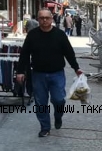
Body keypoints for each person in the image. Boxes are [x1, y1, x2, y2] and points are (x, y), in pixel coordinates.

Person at [16, 8, 83, 137]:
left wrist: (76, 68)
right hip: (38, 74)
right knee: (41, 102)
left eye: (47, 18)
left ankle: (58, 116)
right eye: (41, 18)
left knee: (59, 100)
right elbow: (24, 54)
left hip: (57, 74)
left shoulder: (59, 34)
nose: (44, 20)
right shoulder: (32, 35)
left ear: (52, 19)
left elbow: (69, 53)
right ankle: (45, 127)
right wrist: (20, 71)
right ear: (38, 19)